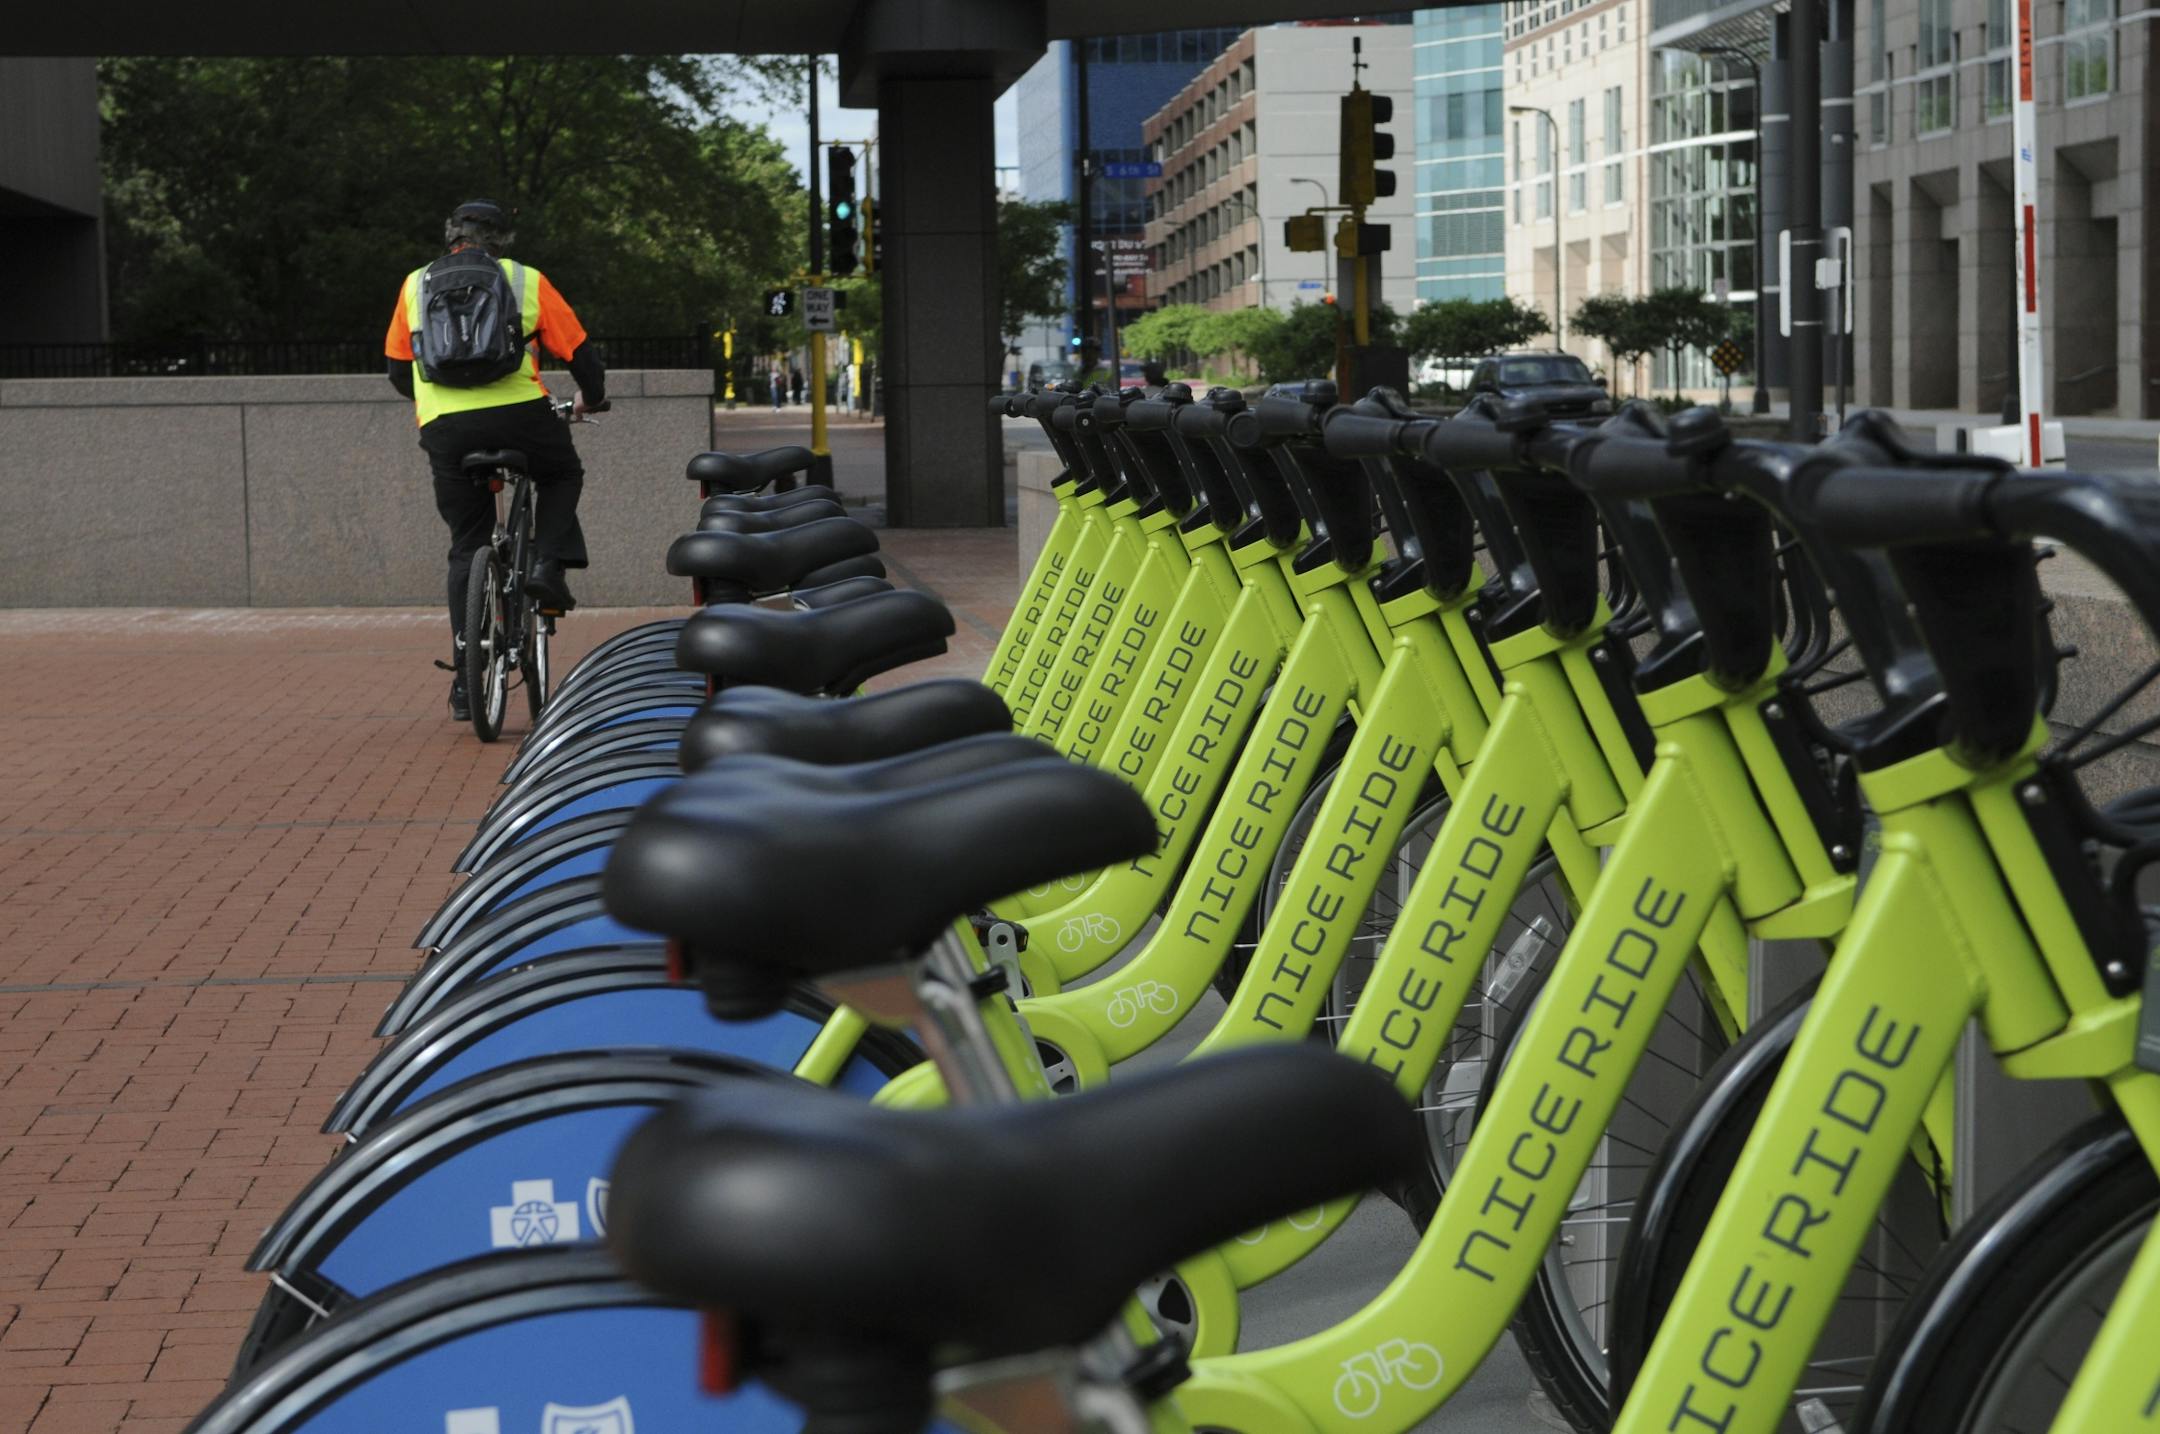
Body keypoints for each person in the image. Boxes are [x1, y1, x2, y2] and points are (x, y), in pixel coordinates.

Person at [385, 199, 605, 721]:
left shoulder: (415, 283)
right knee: (561, 471)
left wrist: (441, 407)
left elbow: (397, 371)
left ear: (450, 235)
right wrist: (590, 398)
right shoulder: (525, 280)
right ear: (502, 240)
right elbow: (580, 354)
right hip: (520, 415)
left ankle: (466, 683)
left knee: (467, 545)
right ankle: (548, 566)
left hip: (444, 426)